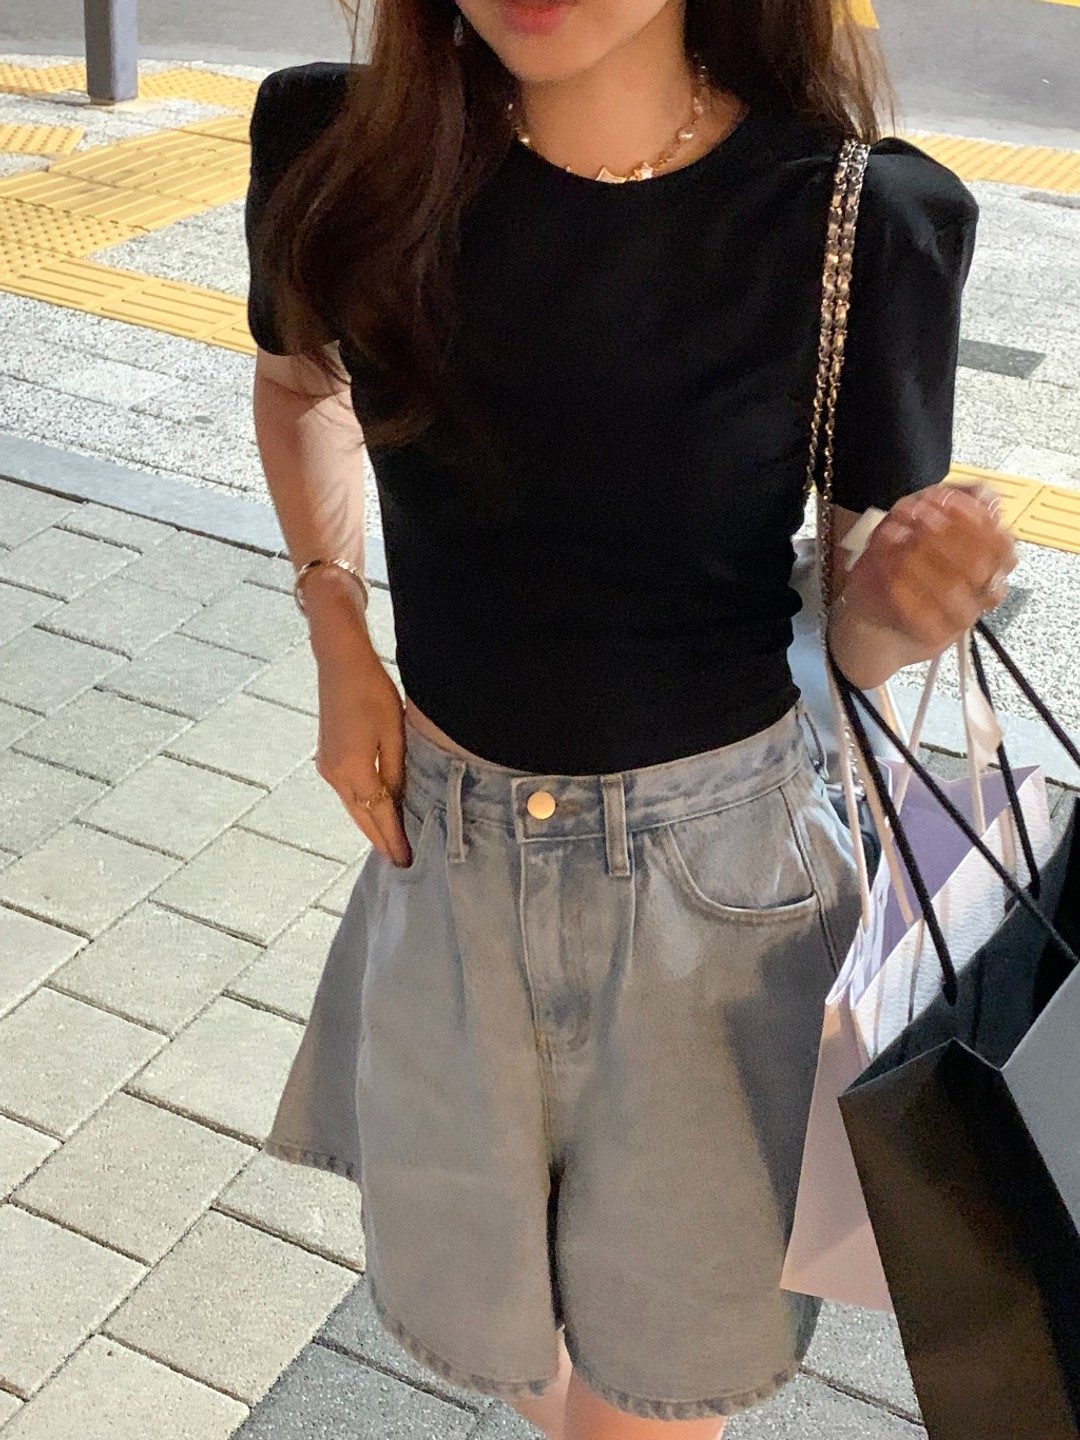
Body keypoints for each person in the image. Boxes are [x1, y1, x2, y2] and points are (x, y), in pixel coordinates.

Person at [244, 0, 1017, 1431]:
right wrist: (336, 630)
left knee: (655, 1391)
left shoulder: (855, 219)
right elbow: (300, 382)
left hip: (721, 894)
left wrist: (909, 612)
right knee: (491, 1317)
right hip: (445, 859)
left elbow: (845, 642)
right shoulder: (338, 148)